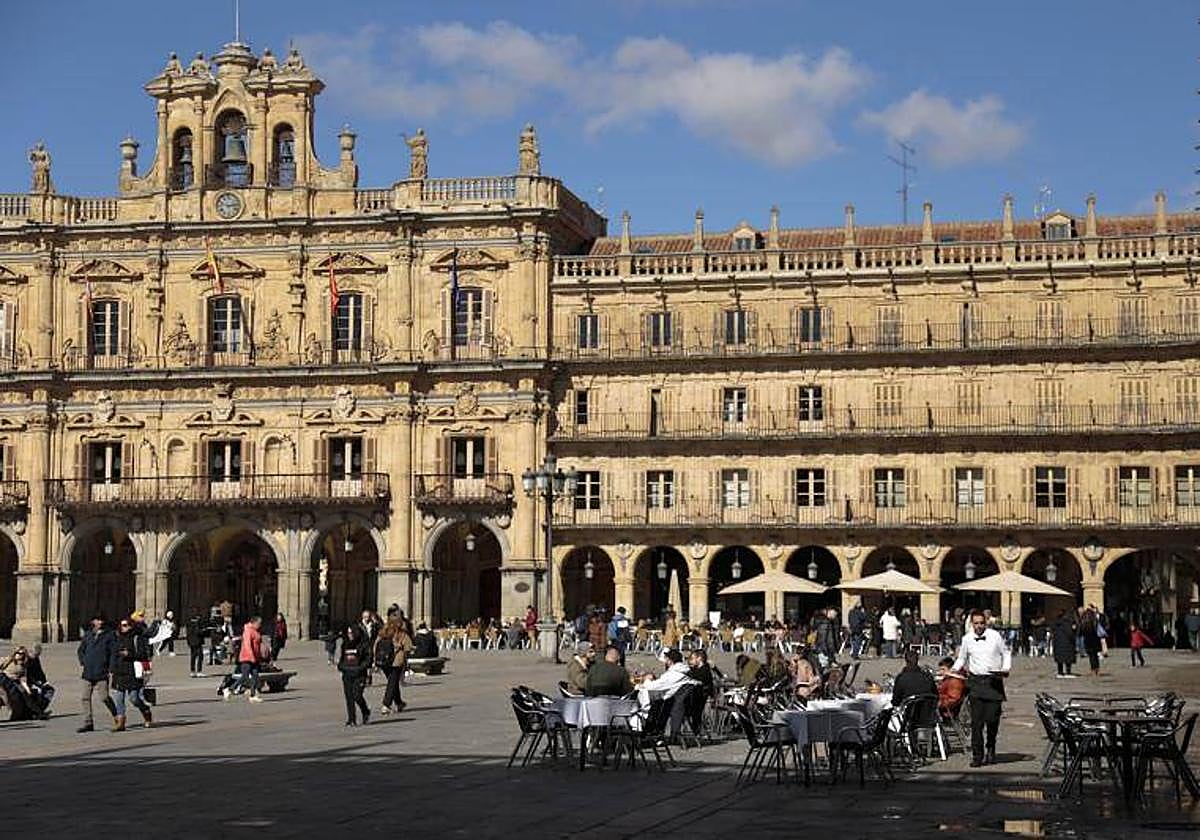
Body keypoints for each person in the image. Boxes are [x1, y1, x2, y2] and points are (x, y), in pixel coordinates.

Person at [953, 609, 1012, 767]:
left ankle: (990, 747)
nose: (979, 626)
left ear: (986, 622)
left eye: (981, 623)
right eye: (976, 623)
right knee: (976, 723)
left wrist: (1005, 668)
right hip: (975, 682)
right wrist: (953, 670)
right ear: (972, 623)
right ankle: (977, 756)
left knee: (992, 719)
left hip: (993, 681)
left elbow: (1006, 653)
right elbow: (962, 658)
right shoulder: (967, 639)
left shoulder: (995, 636)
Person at [109, 616, 153, 731]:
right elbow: (113, 654)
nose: (124, 628)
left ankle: (145, 711)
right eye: (122, 625)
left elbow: (143, 655)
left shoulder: (137, 638)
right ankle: (121, 722)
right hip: (119, 672)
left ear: (131, 626)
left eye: (126, 625)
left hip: (132, 672)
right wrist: (111, 668)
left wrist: (129, 654)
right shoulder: (117, 637)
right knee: (119, 698)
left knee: (134, 699)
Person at [77, 615, 117, 732]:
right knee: (85, 697)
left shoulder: (109, 635)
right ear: (92, 621)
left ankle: (116, 716)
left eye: (101, 620)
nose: (99, 622)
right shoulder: (88, 634)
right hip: (88, 671)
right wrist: (83, 661)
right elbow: (81, 650)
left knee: (104, 697)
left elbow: (113, 653)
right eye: (97, 620)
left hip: (102, 671)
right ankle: (88, 722)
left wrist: (111, 668)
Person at [377, 613, 414, 714]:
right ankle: (386, 704)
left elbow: (376, 645)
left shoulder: (383, 632)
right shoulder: (402, 634)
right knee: (392, 683)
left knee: (393, 682)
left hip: (384, 662)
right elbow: (408, 647)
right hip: (396, 662)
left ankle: (399, 703)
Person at [339, 623, 372, 725]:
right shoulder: (345, 644)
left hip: (359, 674)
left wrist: (360, 668)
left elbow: (368, 660)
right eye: (348, 633)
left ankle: (365, 710)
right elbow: (342, 659)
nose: (350, 635)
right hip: (347, 674)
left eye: (352, 633)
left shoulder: (364, 644)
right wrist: (341, 667)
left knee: (357, 695)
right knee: (349, 697)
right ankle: (351, 719)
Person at [227, 615, 265, 702]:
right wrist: (251, 656)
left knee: (255, 676)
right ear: (254, 623)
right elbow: (247, 645)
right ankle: (230, 689)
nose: (260, 625)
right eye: (259, 623)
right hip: (247, 657)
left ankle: (252, 695)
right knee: (245, 676)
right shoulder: (248, 630)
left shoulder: (255, 631)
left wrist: (259, 656)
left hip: (254, 658)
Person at [1051, 610, 1078, 678]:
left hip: (1058, 643)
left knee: (1060, 659)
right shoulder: (1067, 623)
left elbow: (1053, 632)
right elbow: (1070, 633)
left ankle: (1060, 672)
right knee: (1067, 659)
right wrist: (1074, 631)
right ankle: (1068, 672)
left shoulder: (1055, 623)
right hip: (1067, 643)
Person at [186, 608, 208, 678]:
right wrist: (204, 630)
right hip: (197, 641)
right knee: (200, 656)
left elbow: (188, 632)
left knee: (193, 656)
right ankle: (199, 671)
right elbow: (197, 631)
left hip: (191, 641)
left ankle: (192, 671)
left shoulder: (189, 621)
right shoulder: (197, 622)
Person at [1080, 608, 1103, 676]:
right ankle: (1097, 669)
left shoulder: (1085, 622)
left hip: (1088, 640)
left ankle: (1093, 669)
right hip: (1095, 640)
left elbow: (1082, 631)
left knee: (1091, 656)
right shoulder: (1095, 620)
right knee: (1095, 655)